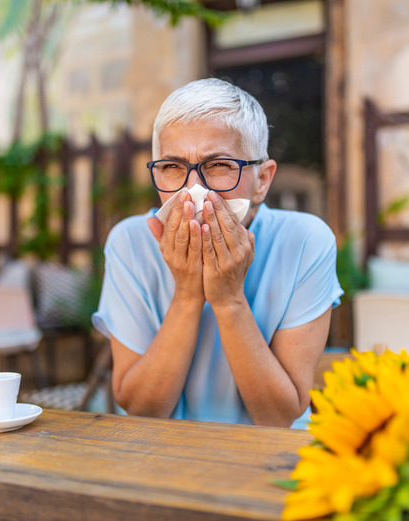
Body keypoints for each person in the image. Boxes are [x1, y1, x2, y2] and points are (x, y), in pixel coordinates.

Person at [92, 78, 343, 428]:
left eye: (219, 165)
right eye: (172, 167)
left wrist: (228, 300)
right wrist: (187, 294)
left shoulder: (304, 241)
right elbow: (141, 410)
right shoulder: (130, 243)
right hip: (162, 461)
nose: (193, 190)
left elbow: (278, 416)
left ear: (262, 180)